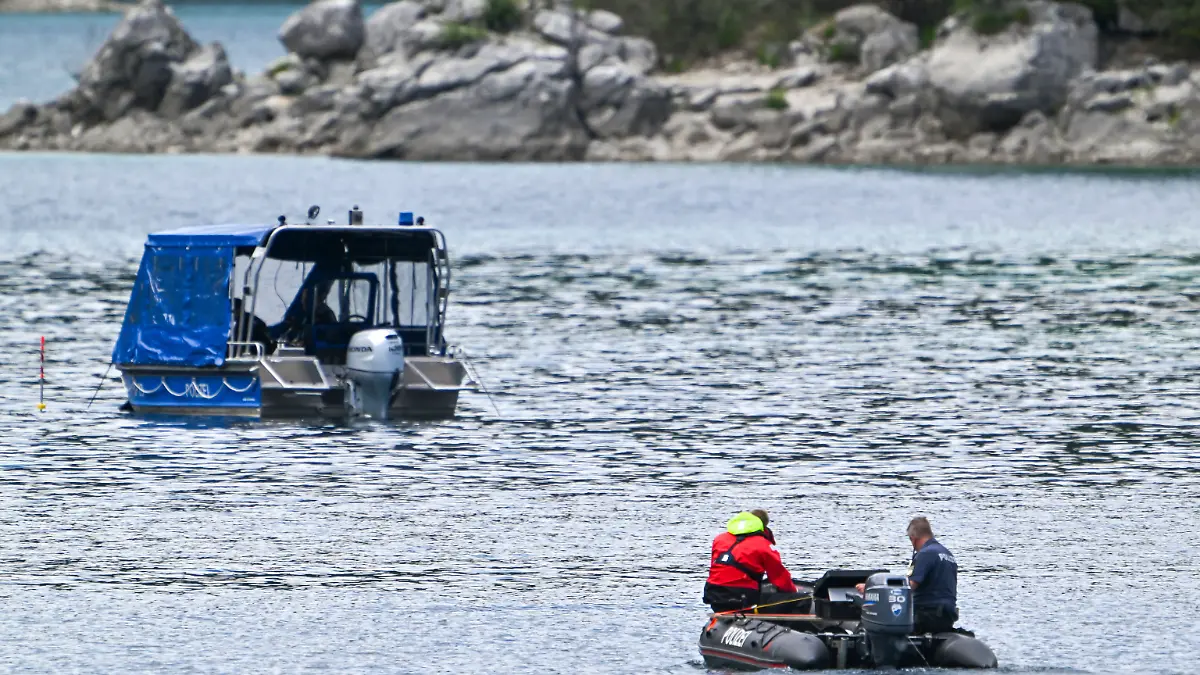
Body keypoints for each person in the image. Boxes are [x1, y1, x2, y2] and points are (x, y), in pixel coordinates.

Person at [856, 516, 959, 634]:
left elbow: (910, 586)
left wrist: (869, 590)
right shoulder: (947, 554)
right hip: (947, 615)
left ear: (913, 538)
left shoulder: (925, 553)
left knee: (877, 626)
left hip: (927, 615)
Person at [703, 511, 808, 614]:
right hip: (741, 597)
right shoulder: (763, 545)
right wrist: (793, 592)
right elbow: (779, 577)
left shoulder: (719, 539)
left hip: (713, 594)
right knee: (803, 600)